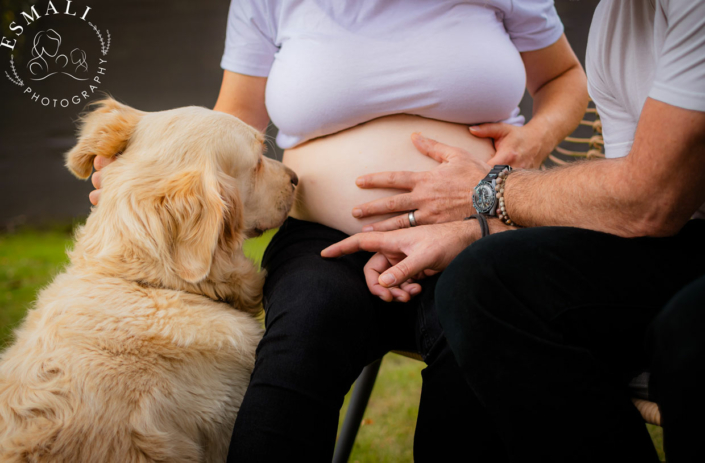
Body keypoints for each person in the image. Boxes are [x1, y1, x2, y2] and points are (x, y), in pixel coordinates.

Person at [90, 1, 588, 460]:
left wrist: (532, 142)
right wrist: (144, 176)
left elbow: (564, 77)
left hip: (480, 231)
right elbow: (233, 118)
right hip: (323, 239)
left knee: (473, 349)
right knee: (303, 335)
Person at [322, 0, 705, 461]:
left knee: (687, 335)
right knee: (483, 280)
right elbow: (622, 218)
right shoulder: (618, 20)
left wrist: (486, 189)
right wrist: (473, 233)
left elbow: (651, 200)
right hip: (682, 238)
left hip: (674, 232)